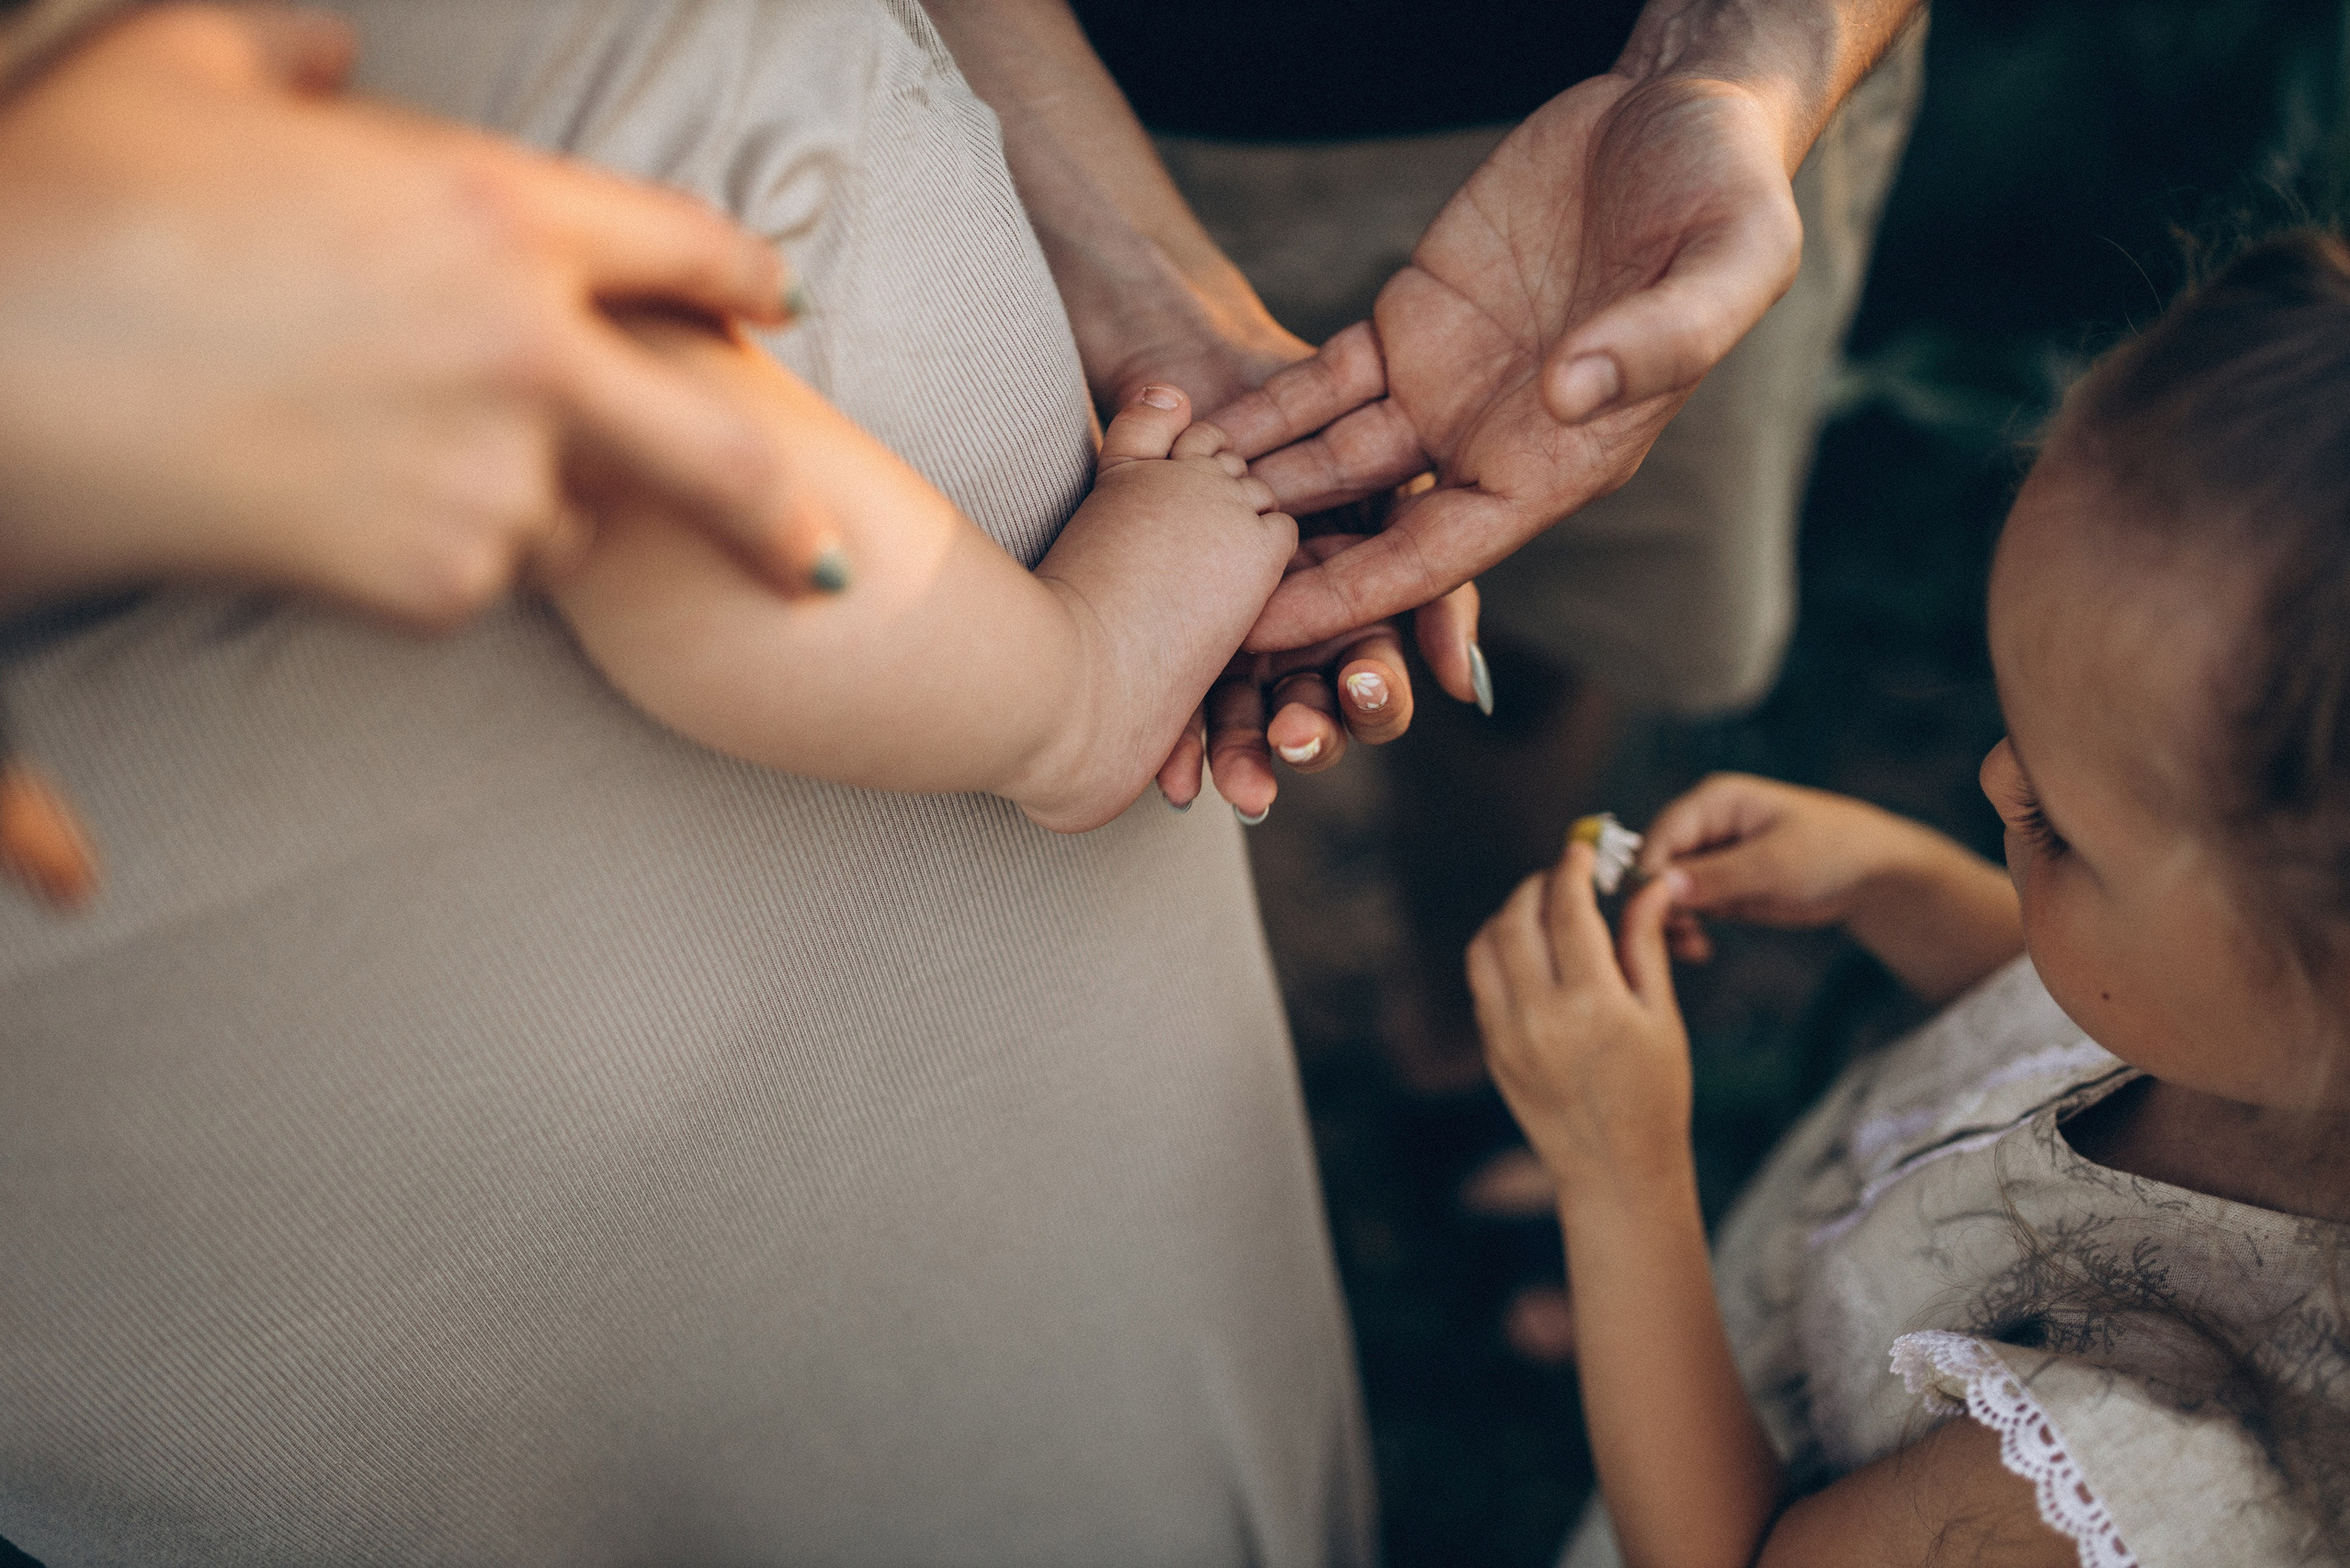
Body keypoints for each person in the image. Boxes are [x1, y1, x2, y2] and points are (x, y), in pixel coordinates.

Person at [1470, 231, 2350, 1565]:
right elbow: (2066, 1009)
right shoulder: (2265, 1033)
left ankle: (1628, 1341)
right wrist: (1890, 880)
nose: (1995, 775)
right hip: (1812, 1310)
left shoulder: (2140, 1471)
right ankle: (1658, 1343)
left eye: (2055, 824)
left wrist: (1619, 1171)